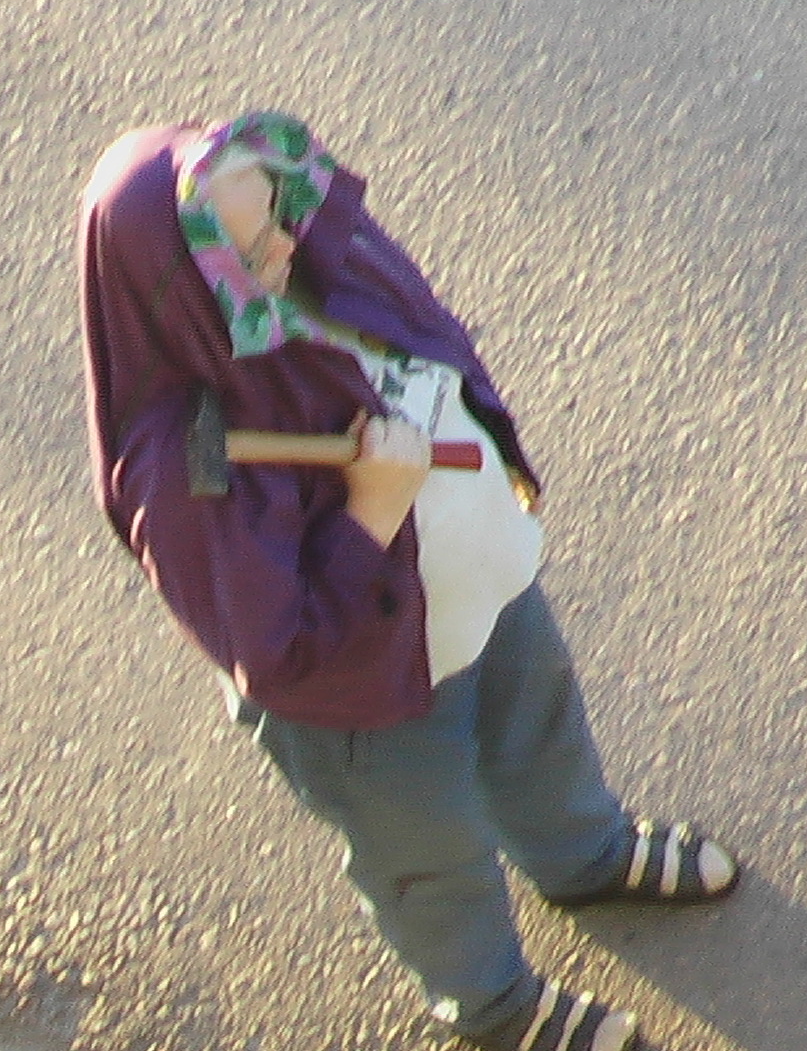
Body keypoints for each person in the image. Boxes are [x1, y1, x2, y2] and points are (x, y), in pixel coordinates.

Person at [77, 112, 743, 1051]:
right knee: (428, 855)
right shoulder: (180, 462)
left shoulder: (309, 265)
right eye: (245, 253)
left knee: (537, 715)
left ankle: (581, 851)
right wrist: (371, 511)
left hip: (477, 582)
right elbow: (277, 648)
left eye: (276, 221)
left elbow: (424, 332)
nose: (280, 256)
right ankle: (494, 1003)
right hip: (365, 691)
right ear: (176, 289)